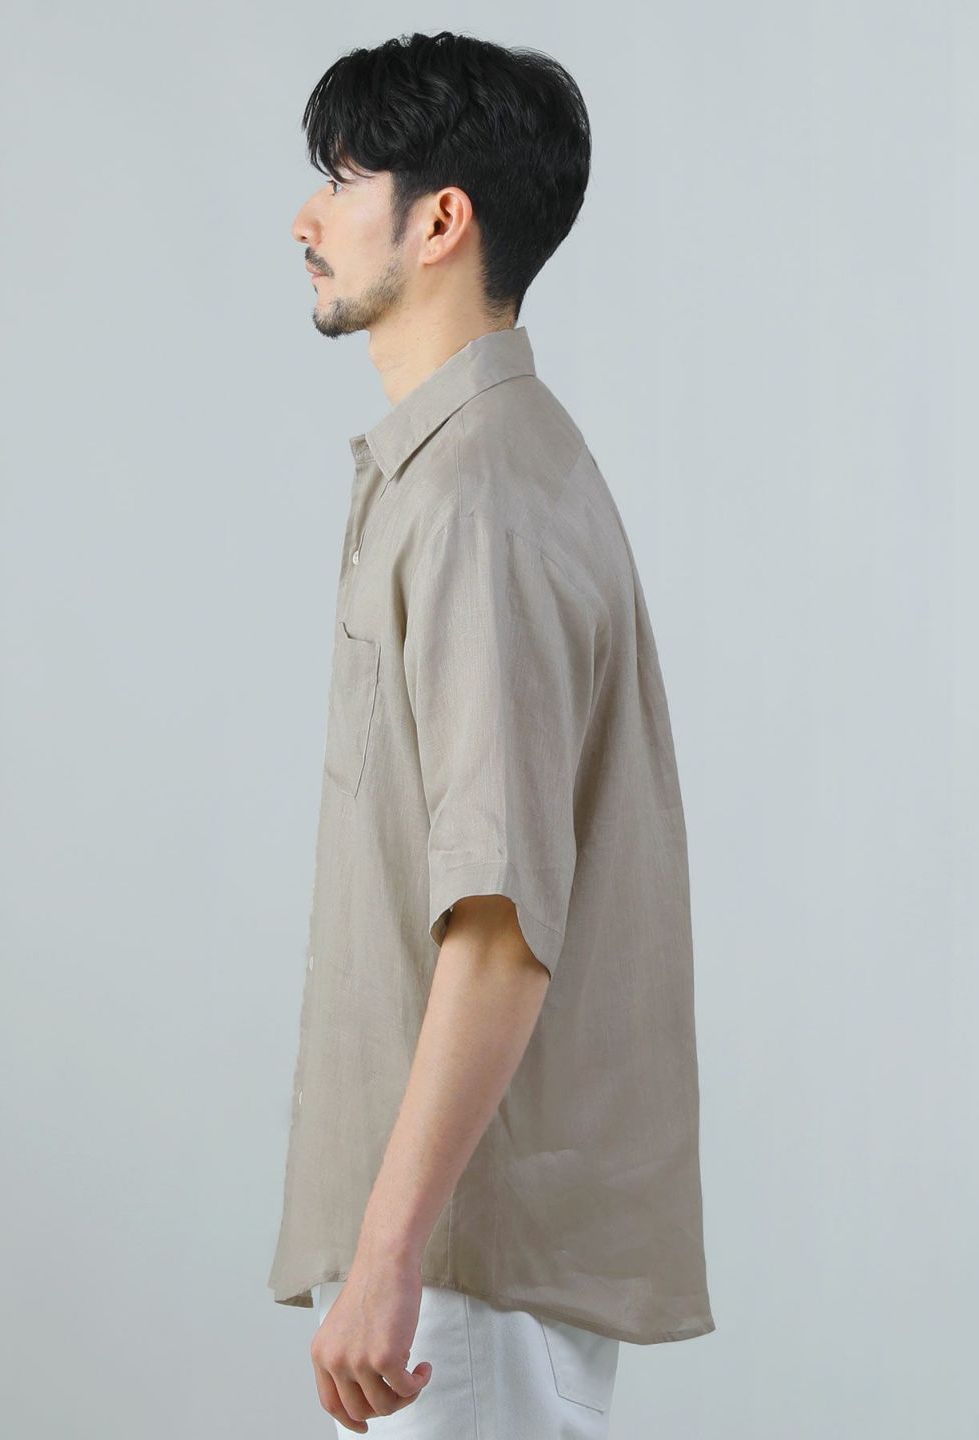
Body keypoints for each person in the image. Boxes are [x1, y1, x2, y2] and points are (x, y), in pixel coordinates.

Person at [271, 30, 716, 1436]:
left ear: (441, 220)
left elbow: (503, 917)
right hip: (456, 1258)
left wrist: (390, 1254)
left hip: (461, 1268)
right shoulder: (464, 471)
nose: (307, 218)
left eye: (345, 179)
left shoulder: (478, 500)